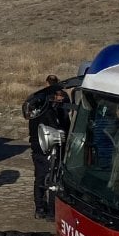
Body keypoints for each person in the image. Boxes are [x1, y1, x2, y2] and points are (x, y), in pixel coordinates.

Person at [29, 88, 70, 219]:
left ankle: (40, 207)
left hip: (37, 150)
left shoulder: (35, 113)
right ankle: (51, 211)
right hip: (47, 150)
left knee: (40, 179)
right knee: (52, 180)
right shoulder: (48, 113)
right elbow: (59, 130)